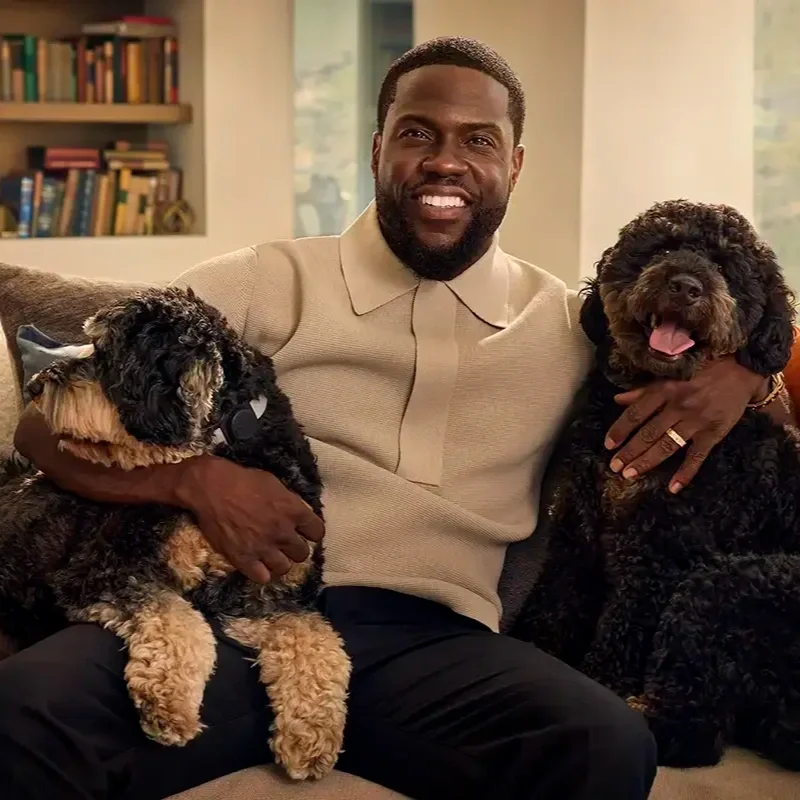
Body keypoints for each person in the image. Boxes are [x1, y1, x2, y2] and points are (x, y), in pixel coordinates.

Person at [0, 37, 779, 800]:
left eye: (479, 140)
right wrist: (193, 481)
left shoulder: (570, 323)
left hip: (434, 649)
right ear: (378, 150)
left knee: (604, 745)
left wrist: (744, 378)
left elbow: (727, 326)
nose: (446, 161)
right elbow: (43, 427)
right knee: (24, 711)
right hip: (235, 616)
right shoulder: (260, 281)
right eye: (418, 134)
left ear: (514, 164)